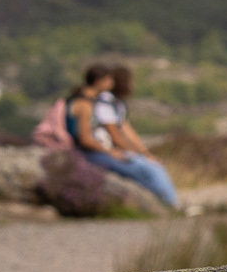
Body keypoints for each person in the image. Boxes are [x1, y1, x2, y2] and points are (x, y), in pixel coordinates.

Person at [65, 62, 180, 210]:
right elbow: (85, 139)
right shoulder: (85, 104)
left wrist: (143, 153)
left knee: (150, 167)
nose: (112, 83)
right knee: (148, 170)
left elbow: (125, 130)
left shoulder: (93, 102)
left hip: (97, 151)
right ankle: (170, 206)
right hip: (91, 154)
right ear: (99, 81)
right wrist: (111, 152)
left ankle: (168, 204)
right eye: (109, 80)